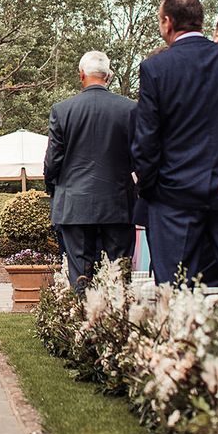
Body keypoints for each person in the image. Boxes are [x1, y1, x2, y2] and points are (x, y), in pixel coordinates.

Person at [132, 0, 218, 286]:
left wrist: (149, 189)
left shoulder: (156, 68)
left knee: (176, 293)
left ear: (168, 23)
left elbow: (146, 140)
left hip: (173, 199)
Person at [44, 51, 136, 292]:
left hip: (75, 204)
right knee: (119, 273)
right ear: (109, 76)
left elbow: (53, 160)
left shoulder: (62, 110)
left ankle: (84, 321)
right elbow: (141, 156)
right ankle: (118, 322)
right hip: (118, 202)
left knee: (80, 274)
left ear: (81, 74)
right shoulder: (130, 109)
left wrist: (53, 188)